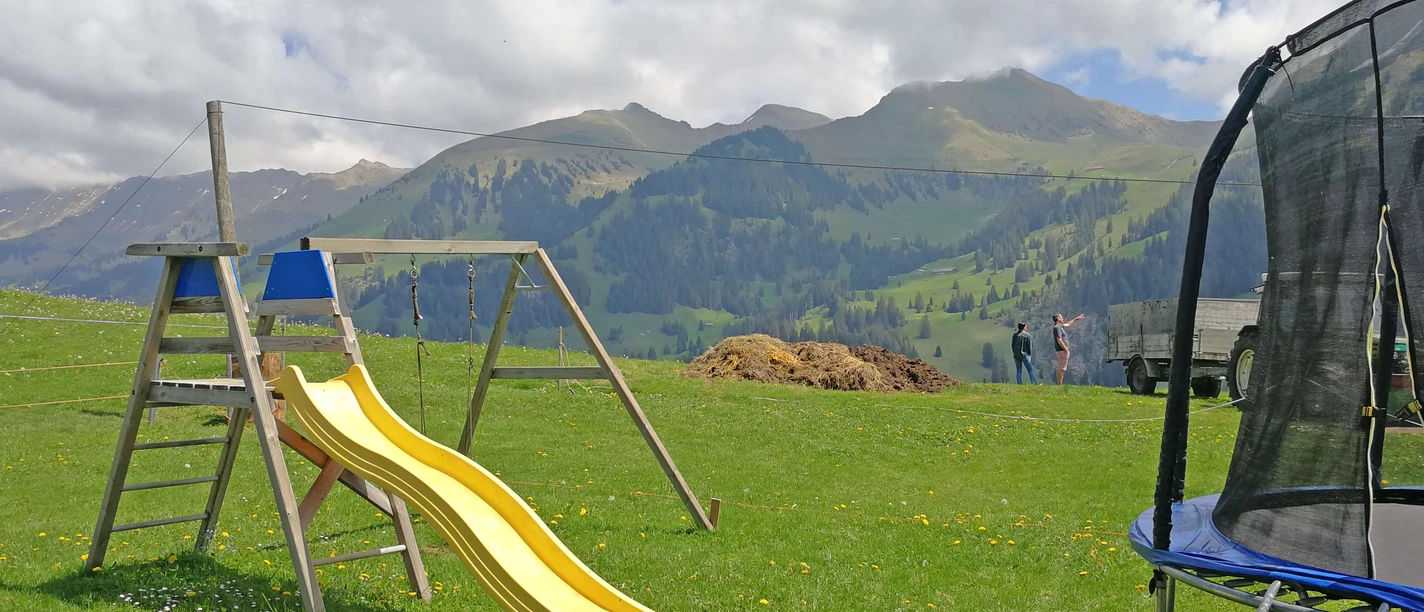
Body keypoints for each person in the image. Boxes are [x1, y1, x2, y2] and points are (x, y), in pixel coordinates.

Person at [1051, 313, 1086, 385]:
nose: (1063, 318)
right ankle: (1059, 384)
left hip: (1062, 350)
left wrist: (1077, 318)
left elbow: (1068, 324)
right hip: (1062, 350)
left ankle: (1059, 383)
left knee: (1061, 367)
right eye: (1061, 317)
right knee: (1061, 367)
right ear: (1058, 319)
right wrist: (1066, 349)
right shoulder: (1057, 328)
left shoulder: (1060, 326)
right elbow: (1059, 340)